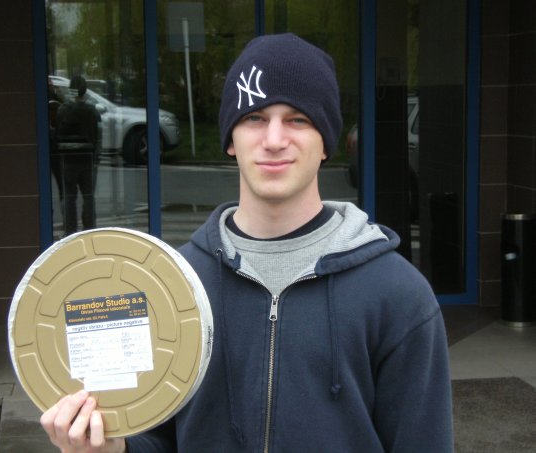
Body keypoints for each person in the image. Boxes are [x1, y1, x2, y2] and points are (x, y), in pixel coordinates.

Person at [40, 33, 453, 452]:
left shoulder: (398, 295)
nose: (274, 139)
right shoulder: (176, 283)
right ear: (230, 139)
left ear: (326, 142)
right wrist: (112, 448)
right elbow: (160, 437)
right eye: (255, 117)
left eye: (298, 119)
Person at [54, 75, 101, 236]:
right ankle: (89, 230)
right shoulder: (90, 111)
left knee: (69, 197)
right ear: (85, 90)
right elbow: (96, 137)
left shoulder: (63, 110)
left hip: (68, 159)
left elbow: (57, 134)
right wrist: (96, 158)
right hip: (86, 159)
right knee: (88, 197)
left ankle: (70, 231)